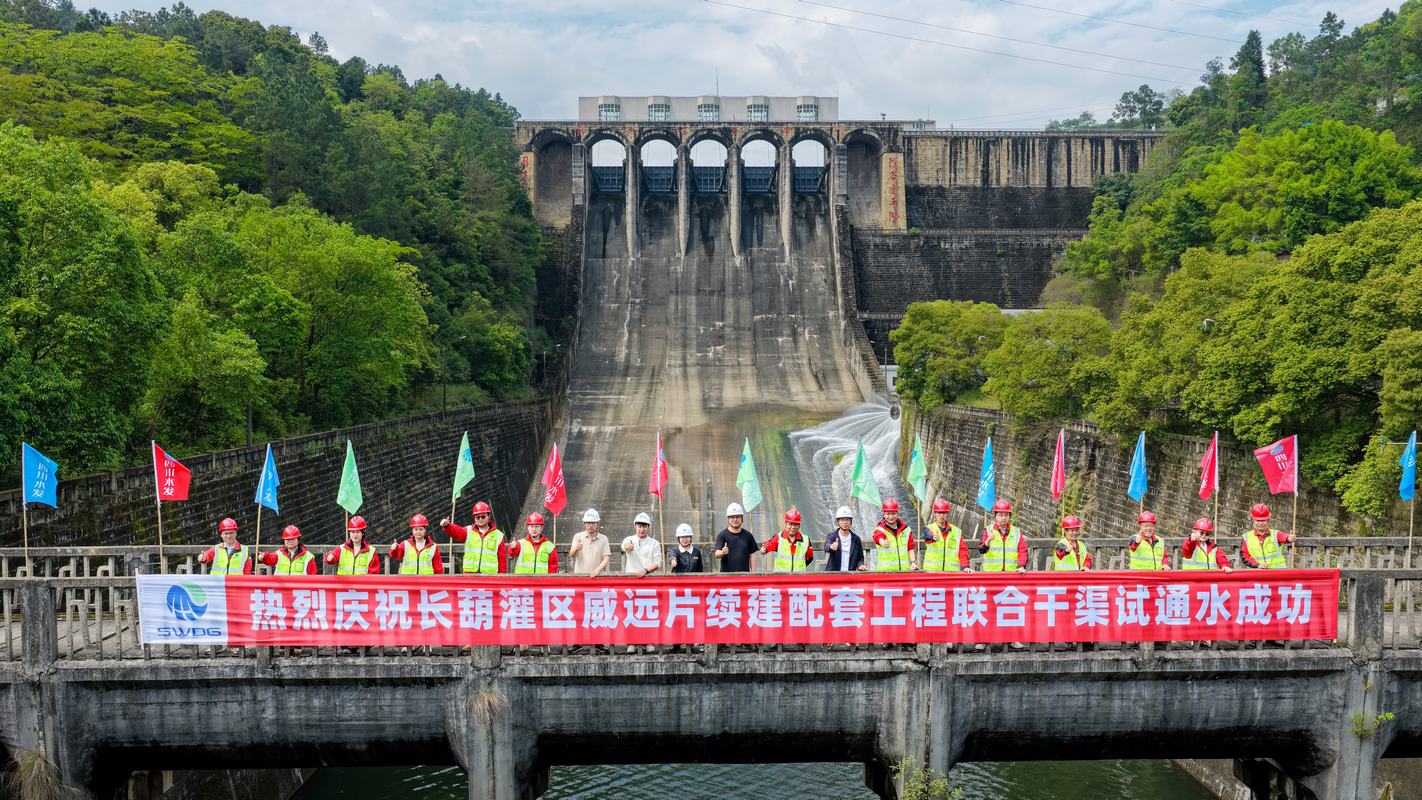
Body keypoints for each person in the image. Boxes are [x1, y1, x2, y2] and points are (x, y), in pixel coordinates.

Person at [441, 500, 507, 574]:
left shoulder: (498, 535)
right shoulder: (468, 531)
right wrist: (448, 526)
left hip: (490, 577)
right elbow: (456, 532)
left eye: (483, 516)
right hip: (470, 576)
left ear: (489, 516)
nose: (480, 519)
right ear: (474, 518)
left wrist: (502, 577)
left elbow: (502, 560)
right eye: (477, 517)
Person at [1240, 503, 1295, 569]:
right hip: (1256, 575)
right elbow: (1245, 557)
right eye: (1258, 520)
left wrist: (1289, 538)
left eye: (1263, 520)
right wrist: (1258, 565)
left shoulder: (1275, 534)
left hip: (1276, 575)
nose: (1260, 523)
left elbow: (1285, 537)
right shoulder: (1246, 537)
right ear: (1253, 520)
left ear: (1267, 520)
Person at [979, 499, 1027, 573]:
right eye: (1000, 515)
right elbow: (982, 550)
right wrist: (988, 540)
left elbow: (1023, 550)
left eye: (1006, 515)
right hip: (991, 574)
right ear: (995, 516)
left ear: (1010, 516)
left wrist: (1022, 566)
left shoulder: (1016, 532)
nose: (1004, 518)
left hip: (1010, 574)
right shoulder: (988, 530)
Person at [922, 499, 970, 573]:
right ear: (935, 513)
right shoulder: (929, 528)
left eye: (944, 512)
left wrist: (965, 566)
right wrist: (932, 538)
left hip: (951, 573)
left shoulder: (956, 531)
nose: (941, 515)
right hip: (932, 572)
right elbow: (927, 537)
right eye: (939, 512)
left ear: (947, 513)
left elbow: (962, 550)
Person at [871, 498, 917, 572]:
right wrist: (882, 542)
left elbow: (910, 547)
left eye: (893, 513)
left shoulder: (906, 530)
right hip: (885, 573)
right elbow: (878, 537)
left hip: (904, 572)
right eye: (888, 514)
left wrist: (913, 562)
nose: (891, 517)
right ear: (884, 514)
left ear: (897, 513)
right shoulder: (879, 530)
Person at [761, 508, 814, 572]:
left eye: (795, 524)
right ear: (785, 524)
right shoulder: (779, 537)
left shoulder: (805, 539)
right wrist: (764, 549)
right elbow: (770, 544)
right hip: (781, 577)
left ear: (799, 525)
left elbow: (810, 557)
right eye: (790, 524)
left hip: (799, 577)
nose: (793, 527)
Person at [714, 502, 758, 572]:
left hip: (744, 576)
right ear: (728, 518)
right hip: (726, 577)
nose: (735, 519)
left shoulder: (748, 536)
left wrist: (753, 574)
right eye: (732, 517)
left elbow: (752, 556)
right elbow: (716, 554)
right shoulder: (722, 535)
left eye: (738, 516)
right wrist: (722, 552)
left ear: (742, 518)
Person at [569, 508, 611, 577]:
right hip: (580, 576)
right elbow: (571, 554)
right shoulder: (578, 536)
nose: (590, 525)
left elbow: (606, 558)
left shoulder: (604, 539)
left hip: (597, 576)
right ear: (584, 524)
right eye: (588, 522)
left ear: (597, 524)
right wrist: (575, 548)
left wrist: (597, 570)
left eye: (593, 522)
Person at [823, 506, 866, 572]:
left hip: (850, 574)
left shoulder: (856, 539)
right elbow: (826, 546)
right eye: (842, 519)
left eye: (847, 519)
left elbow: (860, 558)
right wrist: (831, 546)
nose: (845, 522)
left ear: (851, 522)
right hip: (834, 574)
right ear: (838, 521)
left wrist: (860, 565)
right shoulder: (832, 536)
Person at [622, 512, 662, 577]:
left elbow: (657, 562)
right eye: (639, 526)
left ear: (649, 527)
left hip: (648, 577)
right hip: (631, 576)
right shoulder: (629, 539)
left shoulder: (655, 543)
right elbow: (625, 546)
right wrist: (628, 546)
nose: (642, 529)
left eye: (644, 527)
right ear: (635, 526)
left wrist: (645, 570)